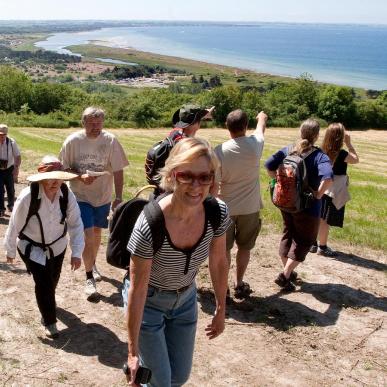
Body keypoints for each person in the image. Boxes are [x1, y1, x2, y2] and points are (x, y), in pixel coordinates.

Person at [123, 137, 230, 387]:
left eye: (205, 177)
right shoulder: (150, 223)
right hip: (149, 301)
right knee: (162, 382)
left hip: (185, 301)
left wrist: (221, 308)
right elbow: (137, 289)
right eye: (186, 176)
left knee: (178, 377)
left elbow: (219, 261)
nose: (196, 186)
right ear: (172, 175)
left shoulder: (218, 212)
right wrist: (132, 352)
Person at [4, 156, 84, 338]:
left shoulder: (67, 195)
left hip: (58, 246)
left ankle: (48, 302)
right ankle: (49, 321)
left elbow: (76, 224)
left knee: (52, 279)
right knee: (44, 283)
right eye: (50, 177)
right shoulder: (28, 196)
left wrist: (76, 252)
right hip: (31, 247)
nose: (55, 182)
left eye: (58, 177)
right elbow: (14, 225)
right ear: (41, 178)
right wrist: (10, 250)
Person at [59, 106, 129, 300]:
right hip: (79, 195)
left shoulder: (110, 140)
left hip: (103, 196)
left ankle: (92, 263)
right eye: (92, 123)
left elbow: (118, 170)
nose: (96, 127)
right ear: (84, 123)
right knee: (88, 233)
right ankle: (89, 277)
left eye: (99, 123)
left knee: (97, 233)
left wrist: (119, 196)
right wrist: (80, 176)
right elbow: (63, 169)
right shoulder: (73, 142)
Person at [265, 119, 333, 291]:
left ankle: (287, 272)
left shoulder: (289, 149)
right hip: (308, 207)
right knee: (305, 240)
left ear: (300, 132)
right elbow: (328, 177)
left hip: (284, 202)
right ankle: (285, 274)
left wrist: (278, 182)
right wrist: (318, 194)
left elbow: (268, 164)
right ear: (317, 136)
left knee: (288, 234)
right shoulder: (319, 156)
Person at [213, 110, 267, 299]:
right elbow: (260, 130)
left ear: (227, 128)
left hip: (225, 208)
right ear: (245, 127)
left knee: (224, 250)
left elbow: (215, 184)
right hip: (250, 207)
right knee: (245, 248)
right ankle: (239, 282)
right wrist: (261, 118)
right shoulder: (255, 145)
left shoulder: (219, 151)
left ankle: (223, 287)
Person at [310, 123, 359, 256]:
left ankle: (313, 244)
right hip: (333, 191)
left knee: (318, 217)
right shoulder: (342, 154)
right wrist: (349, 144)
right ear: (340, 137)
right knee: (325, 220)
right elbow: (356, 159)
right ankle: (323, 247)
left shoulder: (320, 151)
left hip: (321, 187)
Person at [145, 104, 214, 197]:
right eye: (199, 120)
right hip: (174, 196)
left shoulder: (176, 133)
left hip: (160, 193)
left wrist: (205, 113)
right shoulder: (186, 147)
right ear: (195, 123)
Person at [0, 124, 21, 216]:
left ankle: (11, 205)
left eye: (3, 135)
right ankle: (1, 209)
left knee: (11, 189)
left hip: (9, 169)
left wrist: (16, 168)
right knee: (0, 190)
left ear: (6, 134)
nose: (1, 136)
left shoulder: (12, 142)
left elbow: (18, 156)